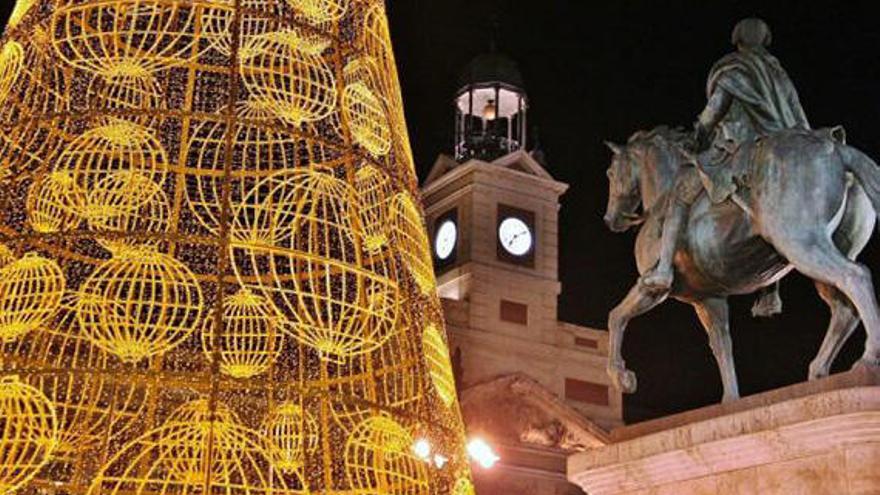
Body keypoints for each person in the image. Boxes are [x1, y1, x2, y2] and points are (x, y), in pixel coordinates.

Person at [640, 18, 810, 293]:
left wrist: (699, 136)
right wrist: (806, 138)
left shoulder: (734, 69)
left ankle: (662, 270)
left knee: (681, 192)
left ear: (739, 40)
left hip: (737, 147)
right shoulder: (777, 72)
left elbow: (716, 108)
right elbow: (797, 111)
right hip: (782, 142)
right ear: (764, 40)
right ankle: (770, 291)